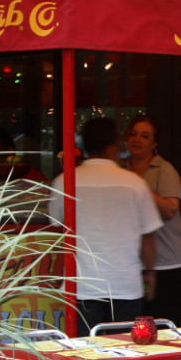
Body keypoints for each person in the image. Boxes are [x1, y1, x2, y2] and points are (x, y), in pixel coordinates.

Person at [49, 117, 163, 332]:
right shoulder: (134, 183)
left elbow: (55, 228)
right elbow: (148, 236)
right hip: (125, 284)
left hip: (82, 286)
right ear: (114, 145)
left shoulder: (64, 181)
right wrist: (150, 273)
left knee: (85, 350)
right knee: (125, 349)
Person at [124, 116, 181, 319]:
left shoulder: (164, 169)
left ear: (154, 144)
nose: (137, 139)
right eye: (134, 134)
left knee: (162, 321)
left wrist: (140, 186)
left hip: (166, 260)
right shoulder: (121, 169)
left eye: (145, 136)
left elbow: (170, 210)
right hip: (133, 259)